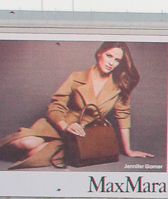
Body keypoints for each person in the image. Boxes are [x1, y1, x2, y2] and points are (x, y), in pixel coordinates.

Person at [2, 43, 152, 170]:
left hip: (84, 136)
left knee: (33, 155)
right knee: (24, 142)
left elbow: (123, 116)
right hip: (59, 124)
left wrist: (128, 150)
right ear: (99, 53)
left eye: (117, 60)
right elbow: (56, 104)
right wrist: (64, 125)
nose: (111, 63)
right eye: (109, 56)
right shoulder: (77, 77)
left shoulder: (119, 85)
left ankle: (46, 149)